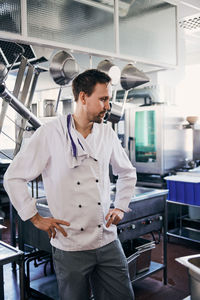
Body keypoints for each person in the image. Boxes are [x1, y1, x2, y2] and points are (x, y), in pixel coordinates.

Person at [4, 69, 136, 300]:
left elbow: (127, 172)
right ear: (83, 98)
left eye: (109, 99)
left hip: (106, 239)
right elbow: (13, 177)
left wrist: (120, 206)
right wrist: (34, 217)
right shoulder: (49, 134)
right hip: (70, 244)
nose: (108, 106)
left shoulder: (107, 134)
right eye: (103, 99)